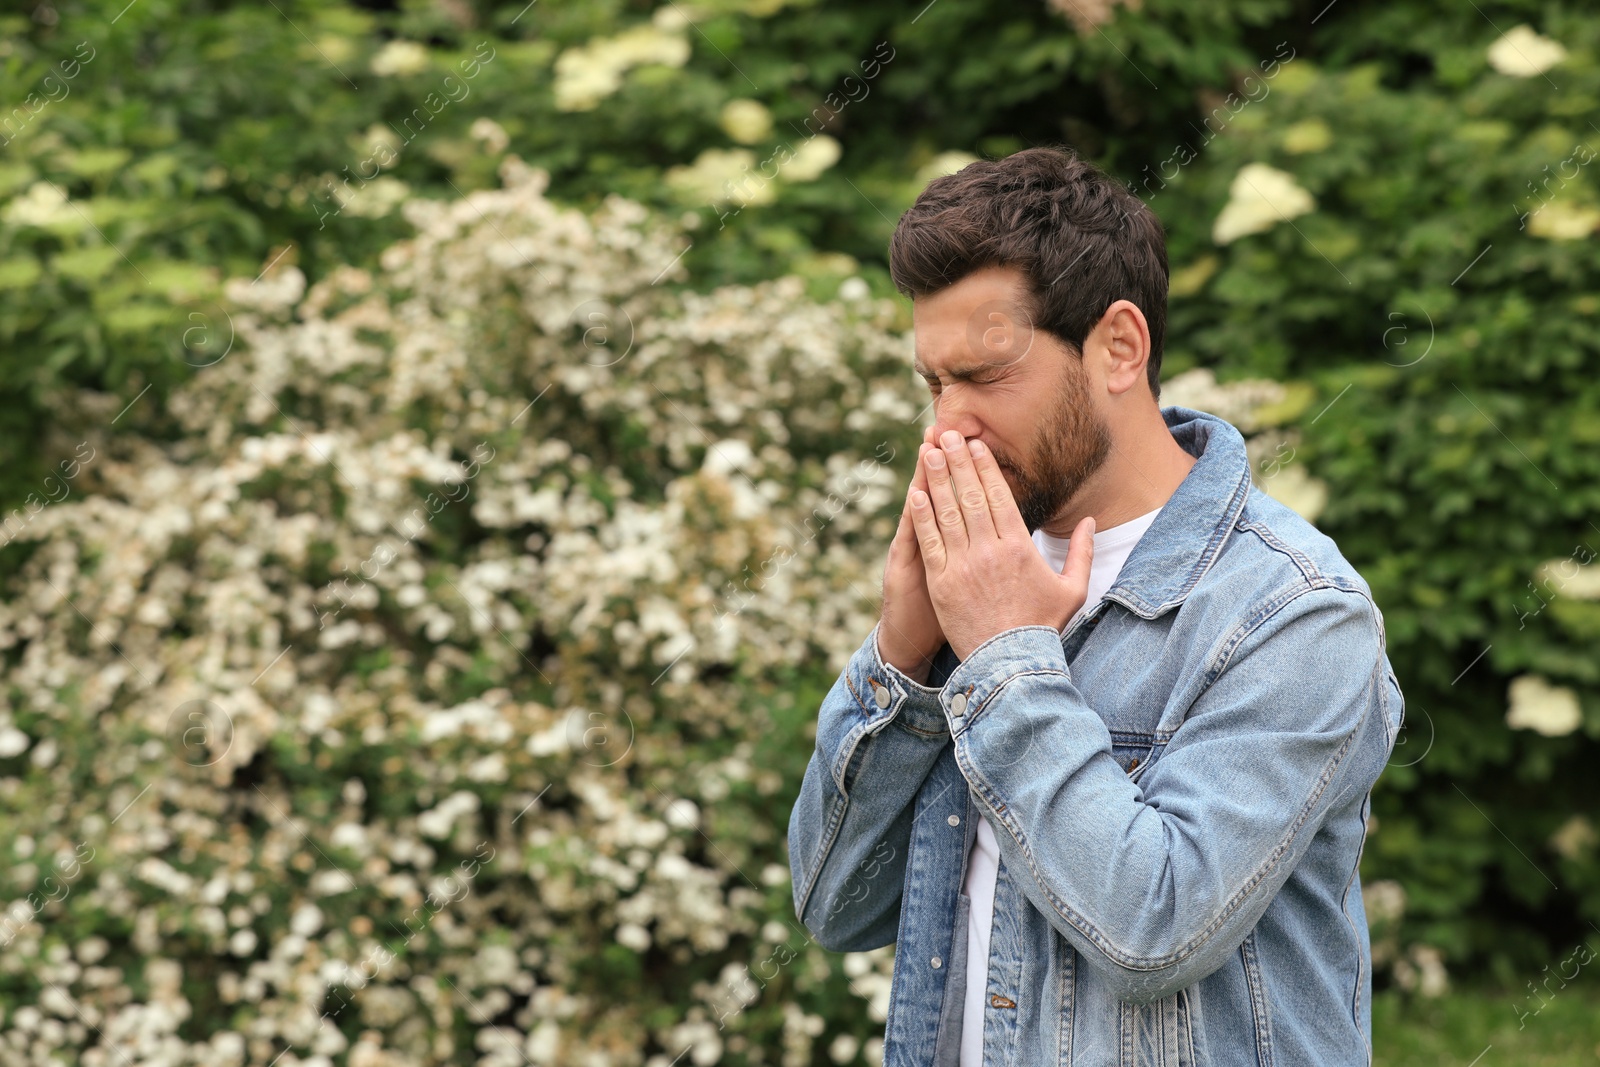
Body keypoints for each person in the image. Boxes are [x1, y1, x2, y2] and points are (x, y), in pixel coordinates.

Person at [786, 145, 1404, 1066]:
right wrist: (901, 661)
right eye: (934, 383)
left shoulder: (1297, 611)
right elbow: (836, 904)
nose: (945, 426)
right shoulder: (981, 565)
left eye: (986, 377)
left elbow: (1152, 931)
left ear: (1119, 347)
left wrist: (1003, 652)